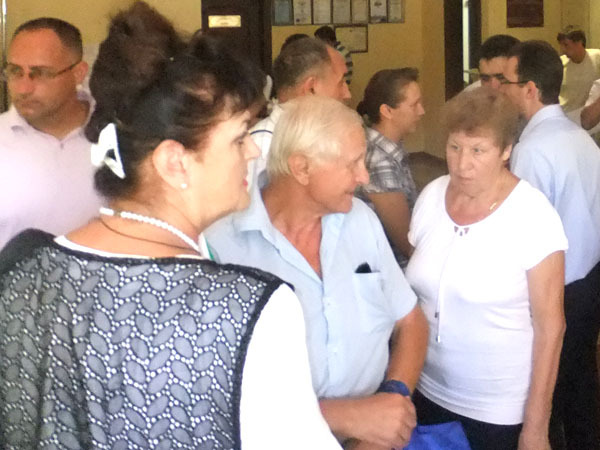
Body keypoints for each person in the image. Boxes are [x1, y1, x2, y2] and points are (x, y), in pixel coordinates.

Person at [0, 3, 342, 449]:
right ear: (174, 162)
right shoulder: (245, 309)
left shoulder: (21, 270)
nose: (254, 152)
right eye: (239, 136)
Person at [206, 95, 428, 450]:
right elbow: (215, 393)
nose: (364, 177)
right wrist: (346, 416)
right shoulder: (222, 245)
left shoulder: (361, 221)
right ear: (302, 168)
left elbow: (411, 321)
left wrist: (393, 401)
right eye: (352, 163)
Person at [406, 87, 567, 450]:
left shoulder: (533, 215)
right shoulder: (431, 196)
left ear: (506, 150)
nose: (462, 164)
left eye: (478, 150)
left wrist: (536, 427)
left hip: (497, 407)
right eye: (454, 147)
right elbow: (417, 292)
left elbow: (551, 328)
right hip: (426, 388)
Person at [501, 40, 600, 450]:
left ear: (529, 89)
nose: (500, 89)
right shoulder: (580, 138)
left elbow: (524, 235)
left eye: (506, 81)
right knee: (581, 384)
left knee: (551, 391)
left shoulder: (532, 151)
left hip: (557, 290)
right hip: (589, 281)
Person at [0, 17, 104, 249]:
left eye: (40, 73)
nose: (24, 88)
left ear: (78, 73)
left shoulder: (120, 136)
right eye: (15, 71)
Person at [249, 37, 351, 186]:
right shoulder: (262, 149)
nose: (348, 94)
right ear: (311, 89)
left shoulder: (324, 138)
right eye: (341, 83)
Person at [356, 68, 423, 267]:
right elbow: (406, 243)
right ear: (387, 111)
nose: (422, 111)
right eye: (414, 105)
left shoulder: (386, 147)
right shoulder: (379, 161)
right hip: (393, 268)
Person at [557, 27, 600, 113]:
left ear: (579, 43)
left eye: (566, 45)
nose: (563, 50)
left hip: (588, 113)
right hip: (564, 112)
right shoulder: (560, 63)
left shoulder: (597, 58)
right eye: (561, 45)